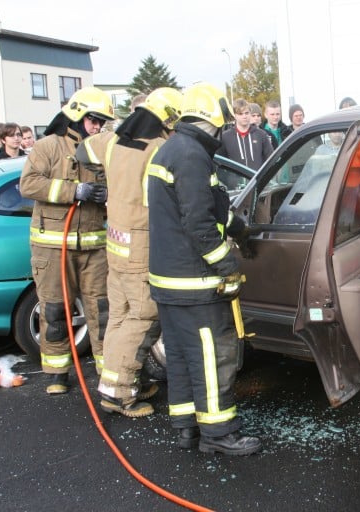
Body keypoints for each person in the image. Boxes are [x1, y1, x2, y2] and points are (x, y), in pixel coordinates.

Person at [148, 81, 262, 455]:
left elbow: (205, 207)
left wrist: (235, 225)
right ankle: (220, 435)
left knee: (181, 358)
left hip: (168, 280)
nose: (225, 129)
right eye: (223, 123)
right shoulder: (193, 155)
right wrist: (226, 265)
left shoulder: (171, 150)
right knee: (213, 357)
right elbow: (197, 223)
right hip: (194, 281)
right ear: (213, 116)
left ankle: (187, 428)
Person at [75, 87, 182, 418]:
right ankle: (119, 394)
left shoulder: (112, 142)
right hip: (142, 242)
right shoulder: (160, 148)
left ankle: (118, 382)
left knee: (119, 317)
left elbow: (81, 151)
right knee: (141, 317)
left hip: (116, 242)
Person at [19, 86, 115, 395]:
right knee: (55, 311)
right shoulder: (47, 147)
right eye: (94, 120)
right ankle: (57, 373)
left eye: (102, 122)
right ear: (77, 115)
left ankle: (107, 372)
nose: (98, 127)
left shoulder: (101, 150)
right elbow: (29, 184)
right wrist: (74, 191)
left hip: (94, 249)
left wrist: (105, 194)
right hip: (52, 248)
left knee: (102, 311)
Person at [218, 98, 273, 172]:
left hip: (257, 181)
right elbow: (220, 163)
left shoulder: (261, 135)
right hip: (234, 182)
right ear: (235, 115)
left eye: (246, 113)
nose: (244, 116)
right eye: (240, 114)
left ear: (250, 113)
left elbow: (270, 159)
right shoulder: (225, 137)